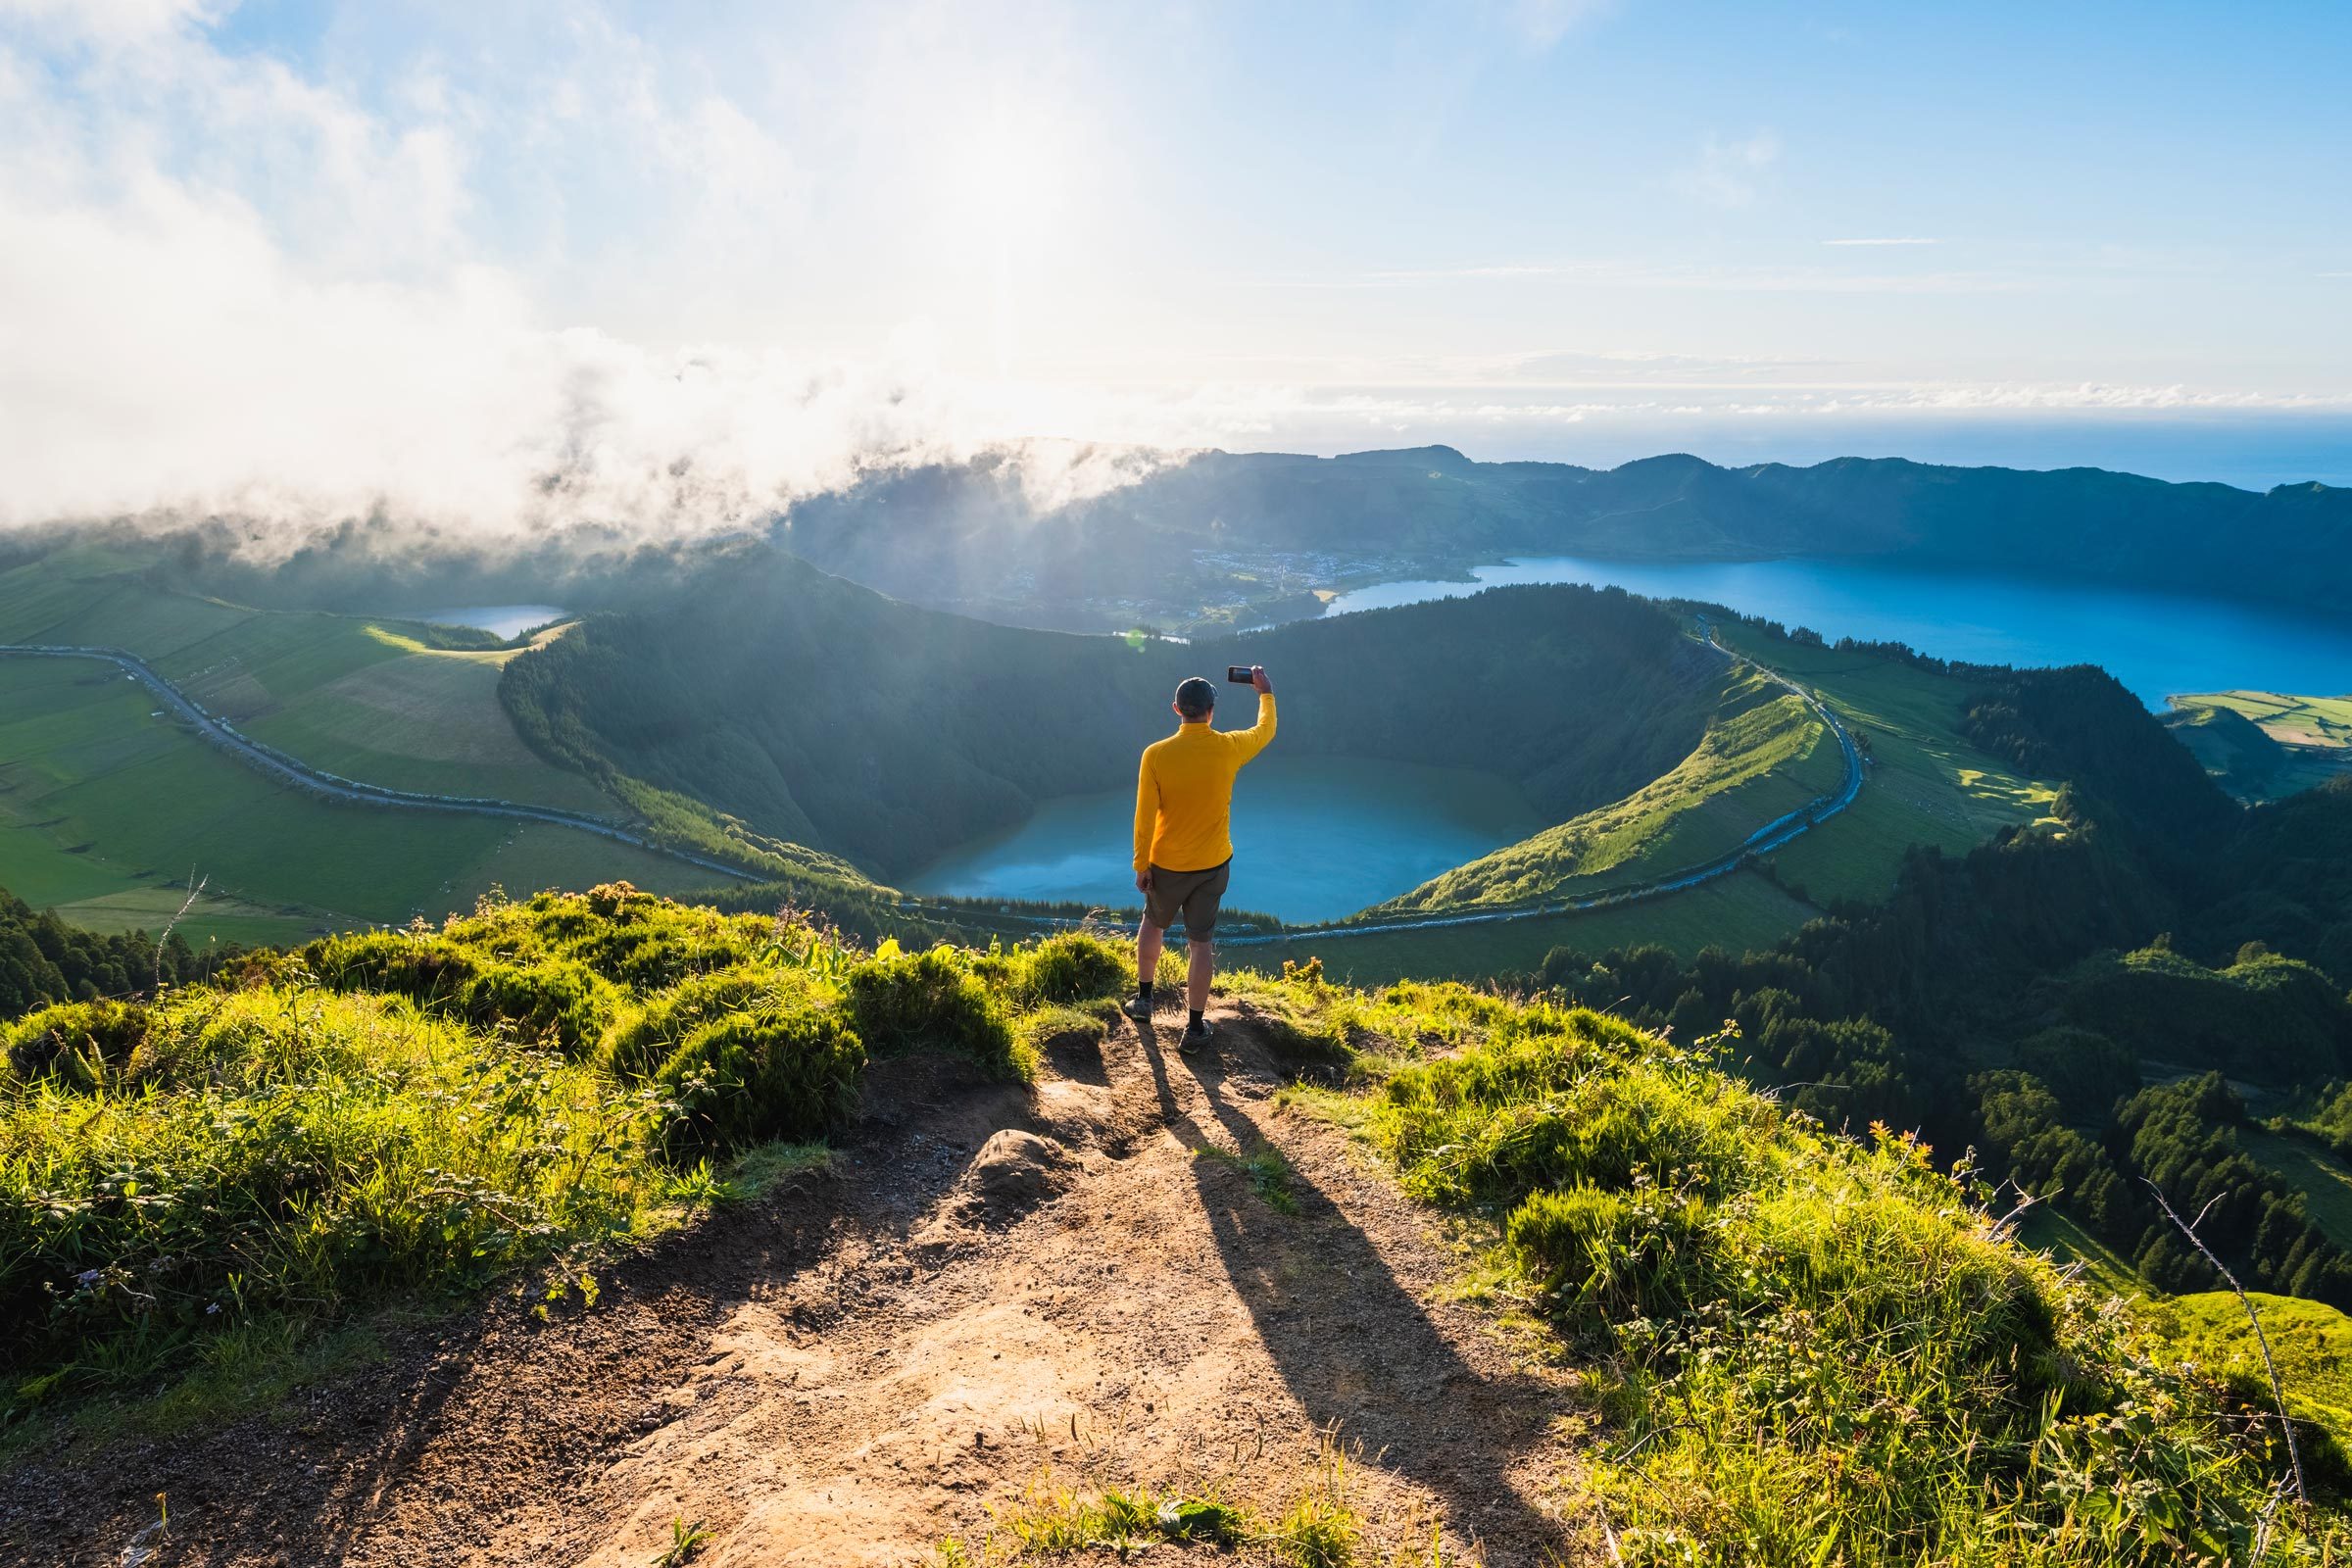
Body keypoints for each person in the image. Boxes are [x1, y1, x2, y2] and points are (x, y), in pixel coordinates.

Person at [1126, 665, 1276, 1050]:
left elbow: (1144, 816)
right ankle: (1193, 1029)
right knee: (1200, 944)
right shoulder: (1228, 747)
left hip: (1167, 864)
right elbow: (1265, 732)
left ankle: (1144, 999)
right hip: (1212, 866)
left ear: (1177, 709)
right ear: (1211, 710)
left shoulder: (1156, 755)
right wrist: (1265, 694)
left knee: (1153, 923)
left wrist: (1141, 864)